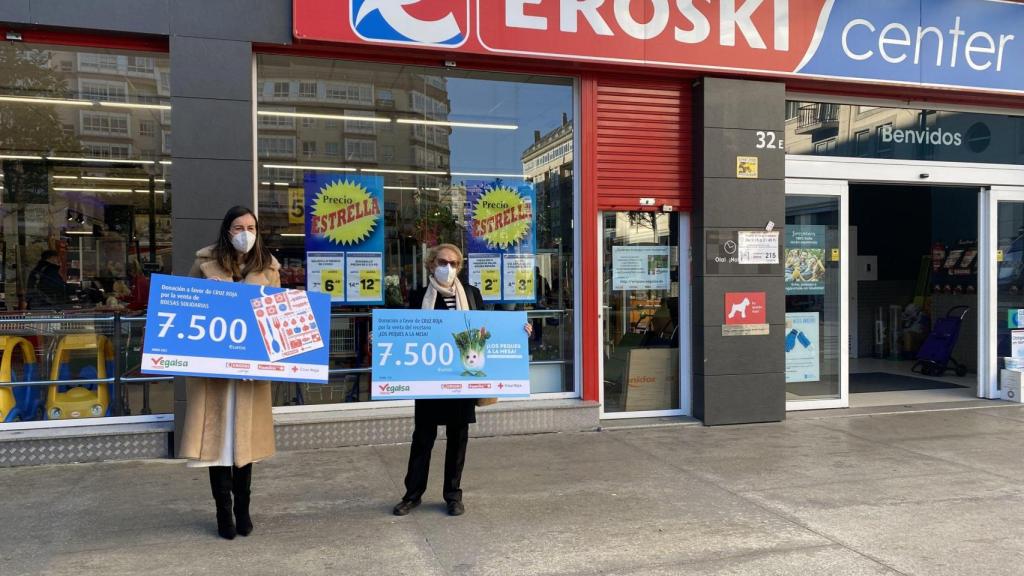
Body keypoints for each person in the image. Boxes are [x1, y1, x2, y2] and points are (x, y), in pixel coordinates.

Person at [392, 243, 531, 517]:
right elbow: (404, 332)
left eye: (454, 263)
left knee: (458, 439)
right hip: (430, 381)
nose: (448, 268)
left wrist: (520, 332)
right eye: (443, 262)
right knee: (423, 438)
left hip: (462, 380)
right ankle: (412, 495)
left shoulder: (471, 294)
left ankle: (453, 495)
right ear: (431, 264)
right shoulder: (419, 296)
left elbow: (486, 332)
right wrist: (383, 337)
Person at [179, 206, 280, 540]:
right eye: (238, 226)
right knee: (218, 444)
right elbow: (185, 312)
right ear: (227, 230)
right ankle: (223, 512)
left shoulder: (269, 268)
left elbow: (276, 321)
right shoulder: (203, 263)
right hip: (215, 374)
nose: (245, 233)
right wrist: (211, 294)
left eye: (251, 226)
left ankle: (243, 509)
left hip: (250, 375)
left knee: (244, 443)